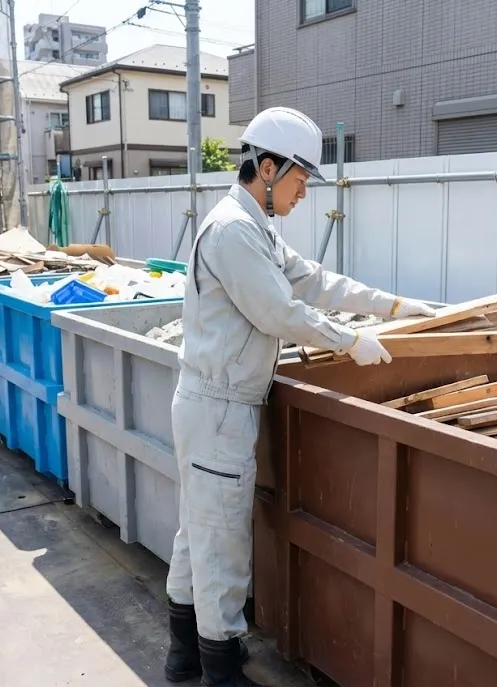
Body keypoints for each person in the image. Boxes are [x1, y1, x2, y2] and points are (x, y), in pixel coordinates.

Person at [164, 107, 435, 686]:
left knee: (199, 530)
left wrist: (391, 307)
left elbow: (312, 280)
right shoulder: (235, 231)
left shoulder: (253, 227)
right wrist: (349, 339)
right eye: (300, 178)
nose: (304, 192)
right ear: (267, 168)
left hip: (213, 403)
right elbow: (279, 311)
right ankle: (219, 668)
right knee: (220, 543)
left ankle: (186, 654)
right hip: (219, 408)